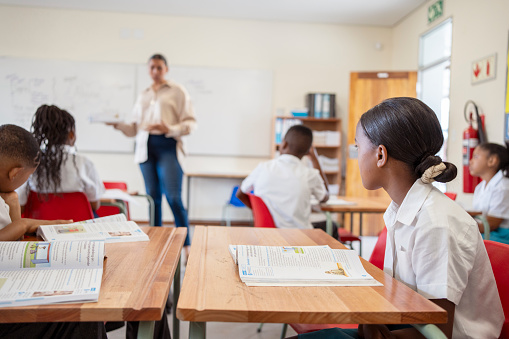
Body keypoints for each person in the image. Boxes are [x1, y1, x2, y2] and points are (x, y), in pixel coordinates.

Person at [294, 97, 503, 339]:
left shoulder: (436, 224)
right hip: (401, 327)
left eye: (357, 147)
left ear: (380, 155)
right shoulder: (400, 209)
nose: (357, 154)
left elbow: (437, 332)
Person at [0, 124, 107, 338]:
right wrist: (22, 224)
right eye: (27, 177)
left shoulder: (5, 196)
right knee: (84, 313)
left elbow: (12, 245)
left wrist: (12, 203)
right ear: (16, 173)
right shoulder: (84, 163)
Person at [110, 54, 196, 257]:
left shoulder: (177, 91)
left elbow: (190, 124)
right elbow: (133, 129)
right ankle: (155, 245)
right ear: (148, 70)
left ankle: (187, 247)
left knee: (174, 197)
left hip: (167, 144)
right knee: (153, 198)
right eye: (152, 68)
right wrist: (116, 124)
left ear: (166, 69)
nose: (155, 72)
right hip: (145, 148)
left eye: (159, 67)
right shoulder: (143, 95)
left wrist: (169, 127)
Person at [236, 125, 333, 234]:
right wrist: (315, 159)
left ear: (284, 144)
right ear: (307, 152)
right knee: (332, 227)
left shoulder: (263, 168)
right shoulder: (310, 175)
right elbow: (325, 197)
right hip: (300, 237)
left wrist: (260, 212)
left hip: (266, 234)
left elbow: (240, 193)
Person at [17, 105, 105, 215]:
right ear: (71, 134)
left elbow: (21, 204)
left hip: (39, 228)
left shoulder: (31, 164)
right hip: (78, 227)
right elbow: (95, 205)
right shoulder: (84, 163)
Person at [469, 142, 509, 243]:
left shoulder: (502, 187)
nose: (470, 161)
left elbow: (491, 224)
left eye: (476, 157)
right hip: (487, 233)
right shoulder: (480, 187)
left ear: (492, 160)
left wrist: (462, 225)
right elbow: (483, 212)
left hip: (500, 237)